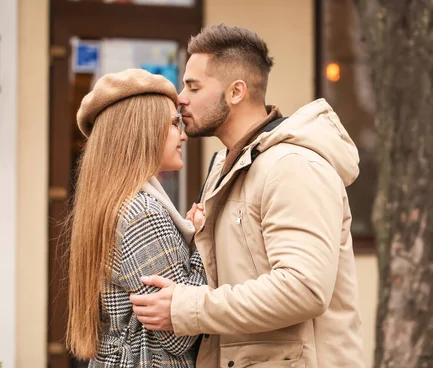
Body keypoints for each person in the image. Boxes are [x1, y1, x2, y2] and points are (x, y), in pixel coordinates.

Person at [130, 24, 366, 367]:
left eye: (193, 86)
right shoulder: (228, 169)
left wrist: (187, 307)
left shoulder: (292, 166)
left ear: (236, 92)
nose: (181, 97)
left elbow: (304, 289)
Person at [65, 69, 207, 368]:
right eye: (172, 123)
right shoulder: (143, 213)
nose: (182, 134)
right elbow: (179, 336)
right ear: (141, 130)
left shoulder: (115, 202)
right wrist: (204, 244)